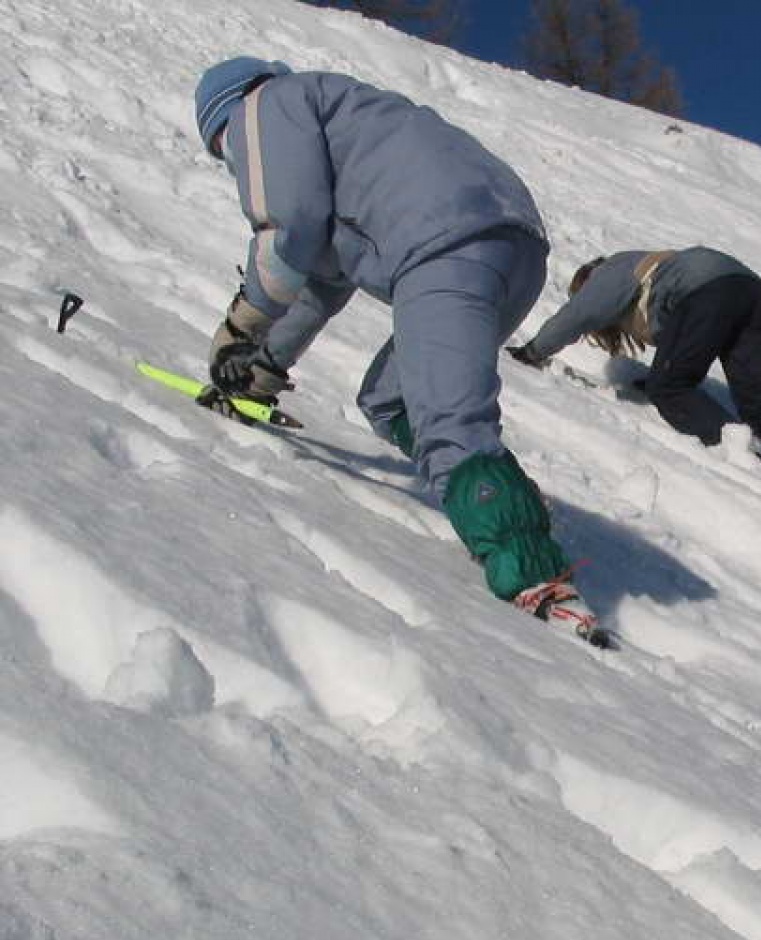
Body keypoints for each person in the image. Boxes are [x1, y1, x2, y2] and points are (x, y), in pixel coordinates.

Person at [192, 58, 604, 645]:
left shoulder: (267, 106)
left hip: (444, 246)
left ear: (226, 120)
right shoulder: (341, 128)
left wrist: (243, 323)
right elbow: (319, 283)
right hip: (511, 247)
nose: (234, 162)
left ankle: (538, 576)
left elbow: (288, 229)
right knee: (391, 399)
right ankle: (495, 494)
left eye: (225, 152)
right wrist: (261, 367)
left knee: (447, 419)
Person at [507, 248, 761, 502]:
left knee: (669, 388)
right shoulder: (653, 274)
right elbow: (687, 343)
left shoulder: (610, 272)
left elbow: (579, 314)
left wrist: (531, 352)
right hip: (749, 291)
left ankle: (740, 453)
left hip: (709, 290)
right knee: (759, 403)